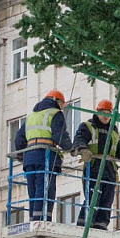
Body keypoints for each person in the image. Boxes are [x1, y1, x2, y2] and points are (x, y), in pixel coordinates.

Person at [73, 99, 120, 229]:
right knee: (93, 197)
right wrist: (83, 149)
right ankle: (84, 225)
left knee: (107, 199)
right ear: (97, 113)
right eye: (104, 113)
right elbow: (79, 139)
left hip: (109, 169)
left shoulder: (114, 130)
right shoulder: (88, 126)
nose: (106, 117)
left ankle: (101, 226)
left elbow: (119, 146)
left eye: (108, 113)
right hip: (94, 167)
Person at [15, 89, 73, 221]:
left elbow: (19, 139)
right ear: (57, 101)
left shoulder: (32, 116)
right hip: (45, 156)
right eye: (62, 105)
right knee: (45, 188)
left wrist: (21, 156)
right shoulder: (55, 113)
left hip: (30, 157)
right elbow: (59, 135)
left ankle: (33, 217)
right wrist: (71, 148)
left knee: (33, 190)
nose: (62, 108)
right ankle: (42, 218)